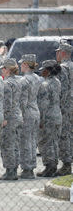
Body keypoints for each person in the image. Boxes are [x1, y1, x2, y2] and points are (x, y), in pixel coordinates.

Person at [37, 60, 62, 177]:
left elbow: (43, 104)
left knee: (46, 142)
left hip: (48, 116)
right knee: (54, 141)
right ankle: (54, 165)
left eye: (43, 70)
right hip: (57, 114)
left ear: (47, 71)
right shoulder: (57, 82)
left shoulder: (45, 85)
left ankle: (49, 166)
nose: (41, 72)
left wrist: (41, 119)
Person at [18, 54, 41, 179]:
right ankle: (31, 165)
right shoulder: (37, 78)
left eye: (22, 64)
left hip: (27, 112)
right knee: (32, 140)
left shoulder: (24, 80)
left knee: (25, 141)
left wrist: (20, 114)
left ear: (26, 65)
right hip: (35, 110)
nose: (20, 66)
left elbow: (23, 101)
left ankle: (27, 168)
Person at [0, 58, 23, 180]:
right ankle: (14, 168)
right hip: (18, 114)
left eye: (3, 68)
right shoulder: (19, 81)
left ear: (7, 69)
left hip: (10, 118)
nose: (2, 71)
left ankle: (10, 170)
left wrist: (5, 117)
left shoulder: (7, 83)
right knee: (15, 144)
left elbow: (7, 103)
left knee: (8, 144)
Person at [55, 42, 73, 176]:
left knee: (65, 134)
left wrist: (60, 105)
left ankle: (67, 165)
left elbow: (63, 89)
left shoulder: (63, 68)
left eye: (58, 52)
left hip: (66, 105)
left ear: (63, 53)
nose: (56, 54)